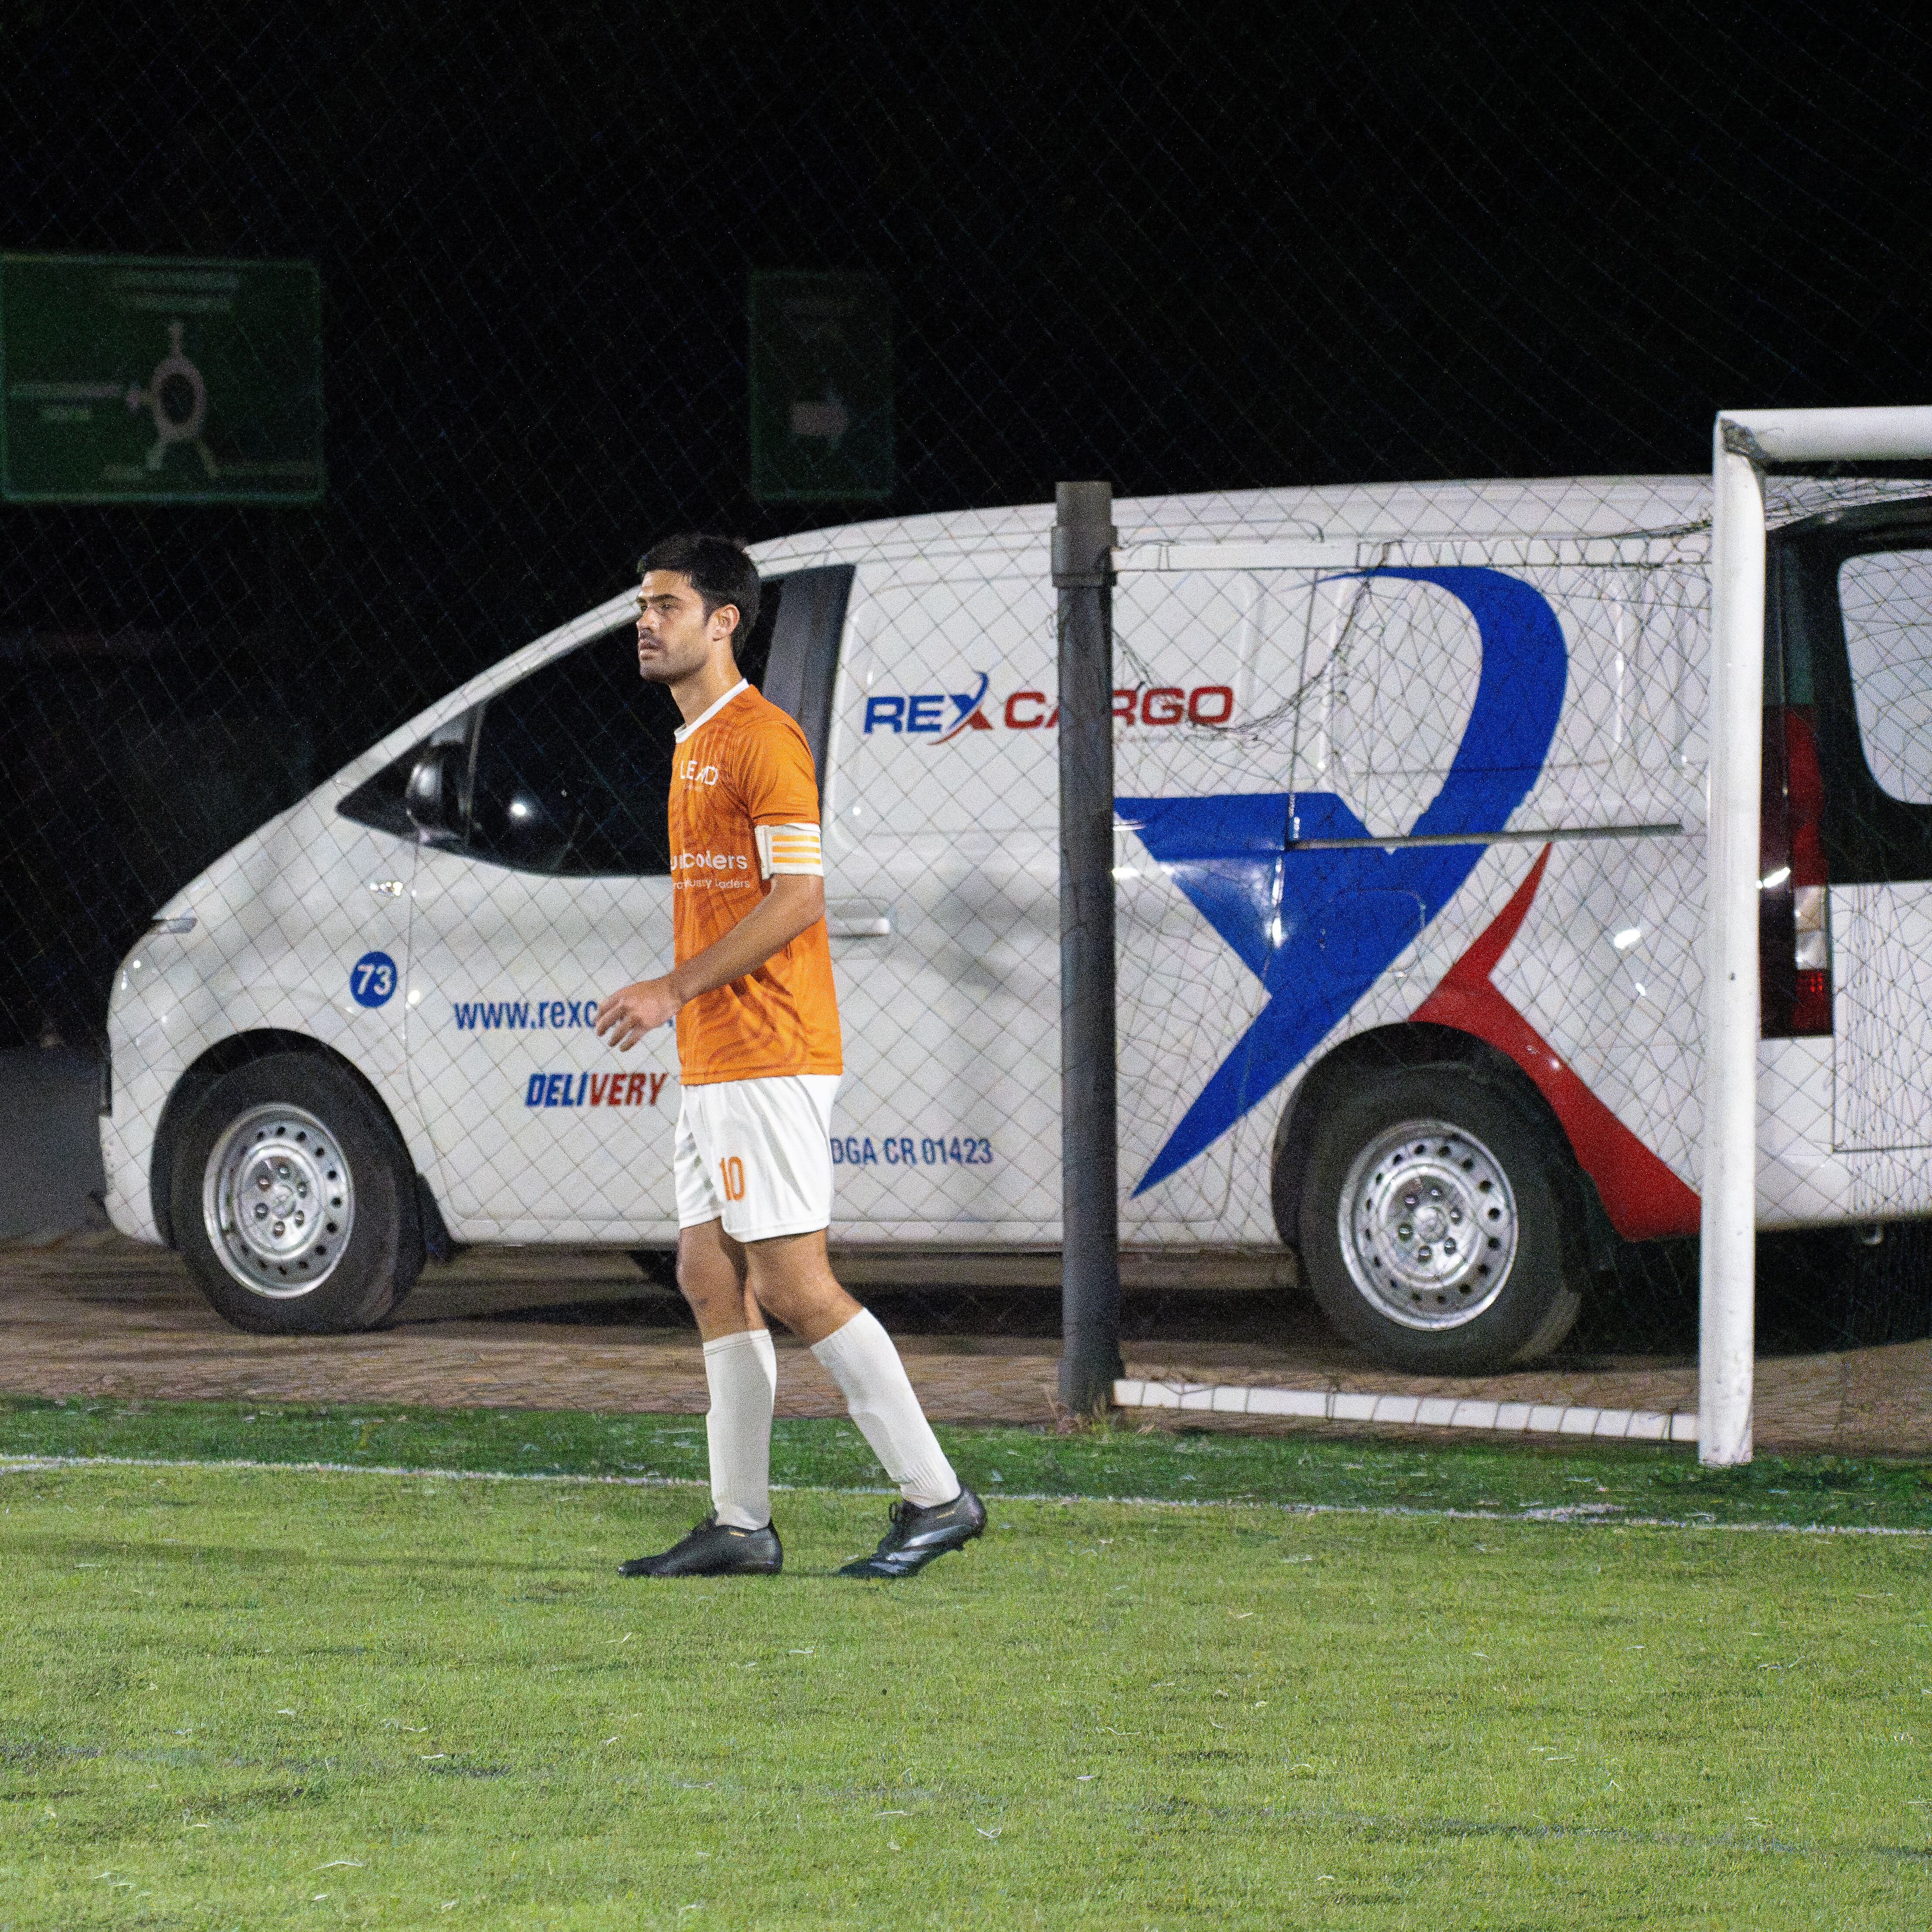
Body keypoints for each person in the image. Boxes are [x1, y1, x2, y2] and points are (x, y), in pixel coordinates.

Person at [596, 532, 986, 1580]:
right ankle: (739, 1522)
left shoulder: (762, 738)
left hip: (765, 1048)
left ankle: (937, 1496)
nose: (646, 622)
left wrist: (669, 987)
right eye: (643, 604)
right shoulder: (690, 745)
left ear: (723, 621)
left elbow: (799, 897)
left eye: (666, 605)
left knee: (793, 1283)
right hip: (719, 1053)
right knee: (706, 1272)